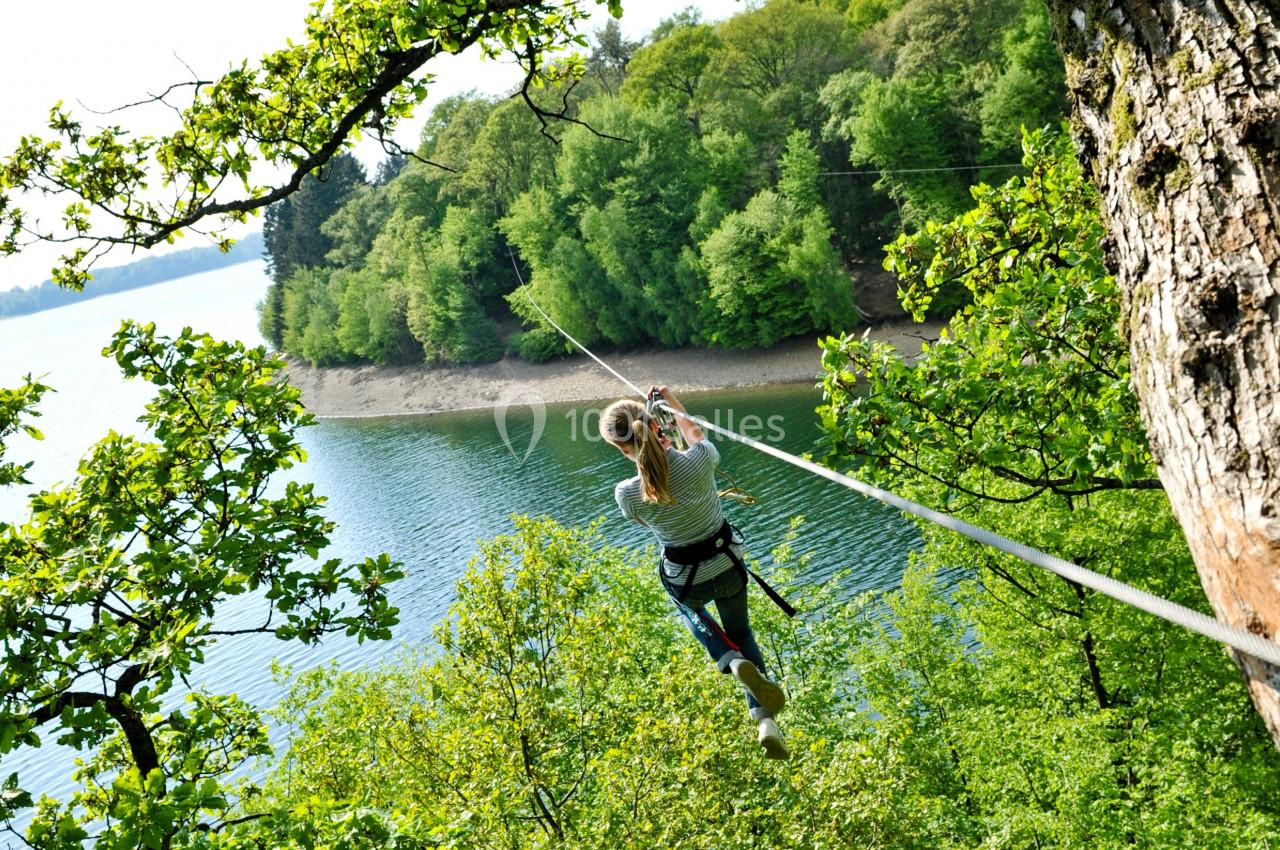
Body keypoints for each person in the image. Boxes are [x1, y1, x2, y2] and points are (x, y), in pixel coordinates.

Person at [601, 385, 789, 760]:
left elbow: (648, 518)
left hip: (686, 578)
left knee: (690, 609)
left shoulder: (627, 493)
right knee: (742, 631)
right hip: (728, 567)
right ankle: (765, 719)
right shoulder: (701, 459)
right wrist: (671, 402)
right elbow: (695, 434)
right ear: (656, 427)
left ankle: (729, 660)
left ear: (622, 449)